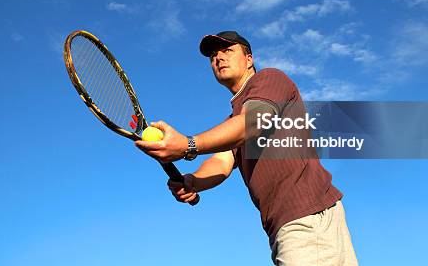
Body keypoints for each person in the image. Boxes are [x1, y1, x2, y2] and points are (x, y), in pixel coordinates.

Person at [135, 31, 358, 265]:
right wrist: (193, 180)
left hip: (307, 218)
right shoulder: (233, 120)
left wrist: (188, 145)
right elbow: (222, 161)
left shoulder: (270, 79)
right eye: (213, 55)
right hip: (296, 223)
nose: (218, 58)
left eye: (227, 50)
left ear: (249, 59)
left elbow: (252, 122)